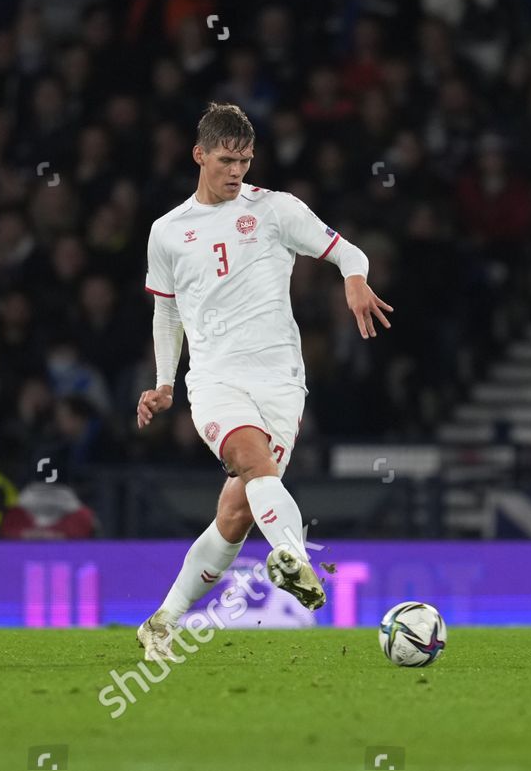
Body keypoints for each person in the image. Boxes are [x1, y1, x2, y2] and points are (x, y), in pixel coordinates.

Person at [132, 103, 393, 660]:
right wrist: (165, 383)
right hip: (215, 380)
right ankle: (294, 560)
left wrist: (354, 279)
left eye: (245, 161)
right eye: (226, 160)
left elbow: (349, 250)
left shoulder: (276, 211)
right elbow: (166, 313)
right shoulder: (167, 232)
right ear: (199, 154)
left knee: (237, 510)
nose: (236, 172)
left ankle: (163, 620)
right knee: (255, 465)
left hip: (281, 381)